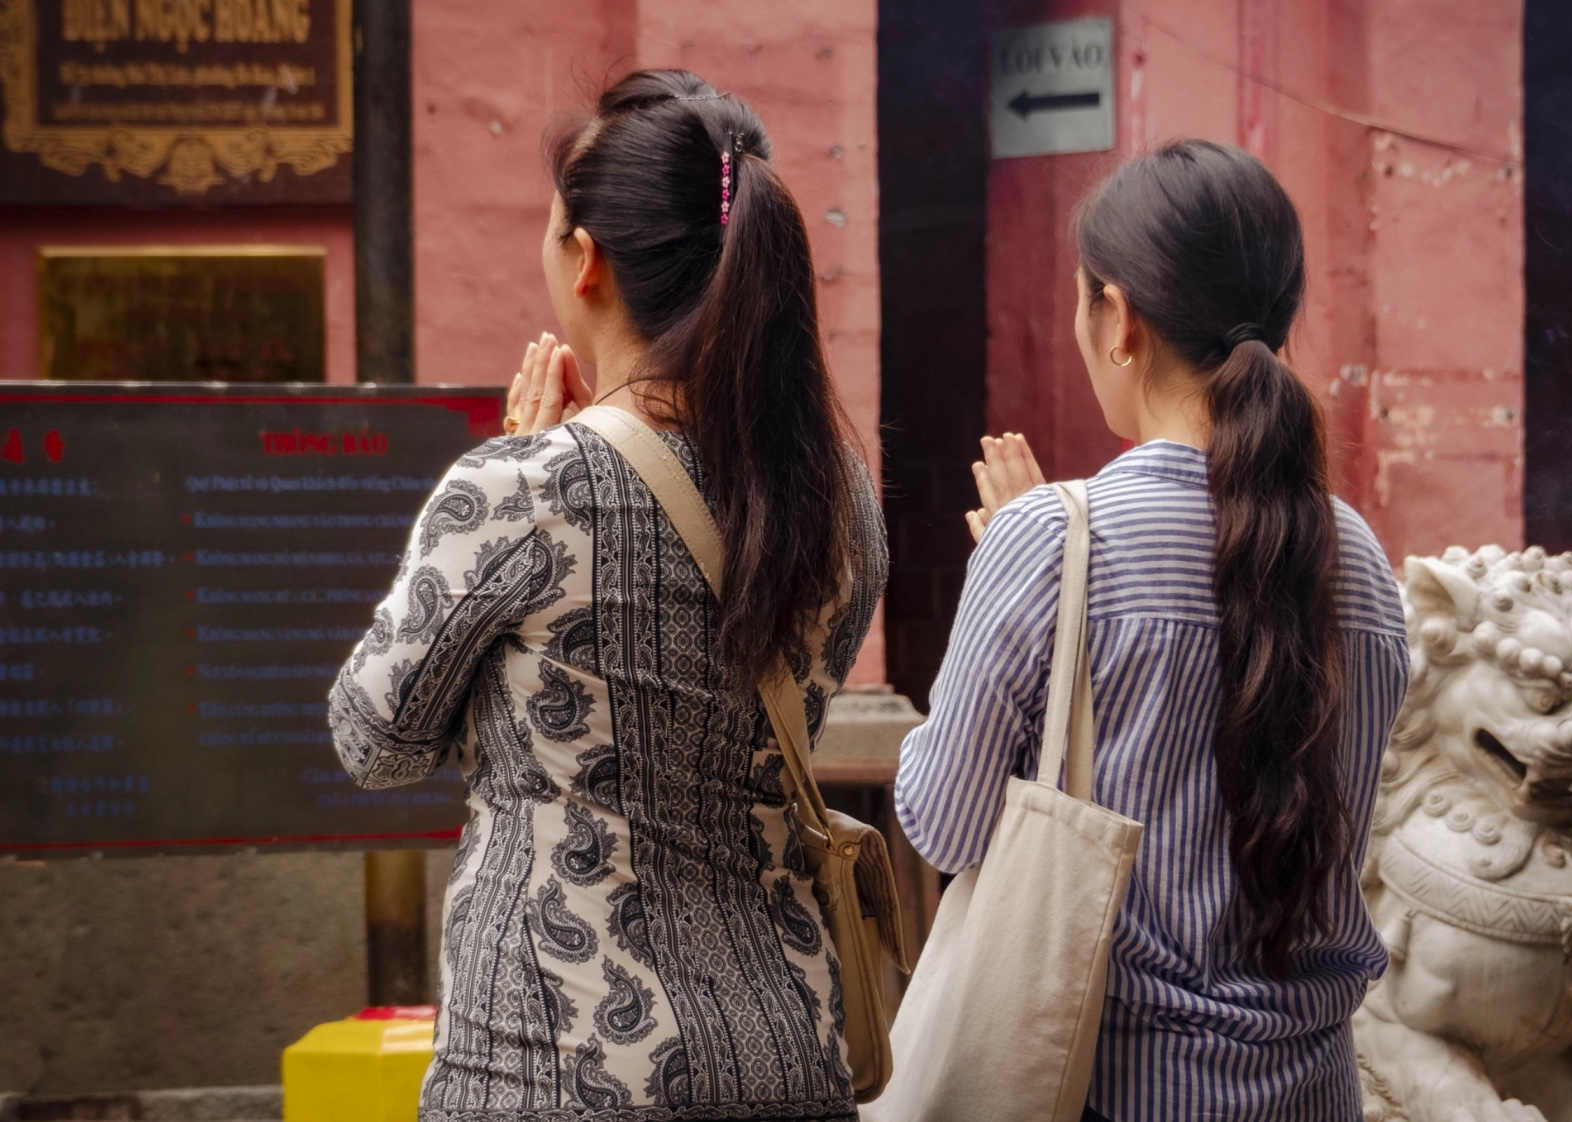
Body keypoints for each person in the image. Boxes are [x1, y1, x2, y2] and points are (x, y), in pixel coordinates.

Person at [329, 69, 885, 1122]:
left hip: (552, 1061)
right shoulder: (841, 499)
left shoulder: (520, 489)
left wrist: (516, 461)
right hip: (792, 1052)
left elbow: (373, 740)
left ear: (585, 261)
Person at [895, 139, 1411, 1121]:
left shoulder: (1052, 539)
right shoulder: (1362, 563)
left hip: (1103, 1090)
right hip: (1315, 1093)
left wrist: (1009, 567)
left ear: (1118, 316)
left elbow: (942, 823)